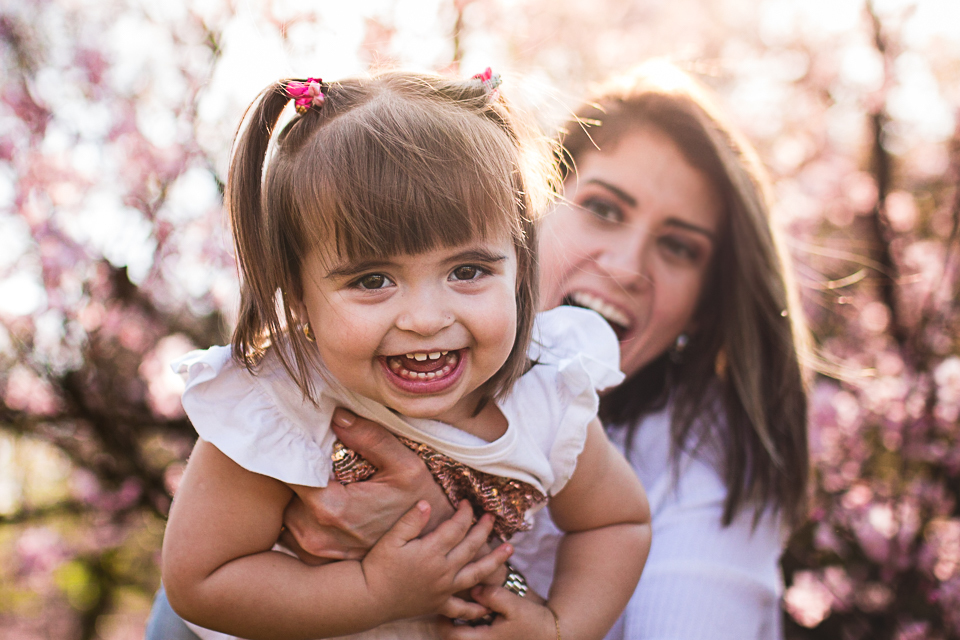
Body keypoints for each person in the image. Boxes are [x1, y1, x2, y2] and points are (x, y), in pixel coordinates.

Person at [146, 60, 808, 640]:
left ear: (517, 257)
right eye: (372, 280)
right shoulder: (282, 398)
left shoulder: (547, 396)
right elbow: (199, 581)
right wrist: (375, 589)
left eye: (467, 271)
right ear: (296, 294)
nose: (427, 318)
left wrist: (559, 627)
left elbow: (617, 525)